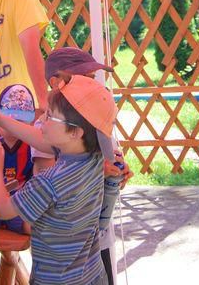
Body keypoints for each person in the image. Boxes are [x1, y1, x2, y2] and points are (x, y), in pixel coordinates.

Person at [0, 75, 119, 285]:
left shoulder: (49, 182)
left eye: (49, 116)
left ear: (75, 132)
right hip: (93, 275)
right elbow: (42, 139)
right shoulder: (94, 157)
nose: (41, 121)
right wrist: (1, 119)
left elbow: (2, 210)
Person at [41, 47, 132, 284]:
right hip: (68, 254)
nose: (92, 84)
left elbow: (108, 159)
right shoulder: (49, 129)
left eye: (93, 78)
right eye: (84, 78)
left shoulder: (94, 118)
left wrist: (118, 172)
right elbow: (45, 182)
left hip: (98, 238)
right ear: (56, 83)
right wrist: (95, 171)